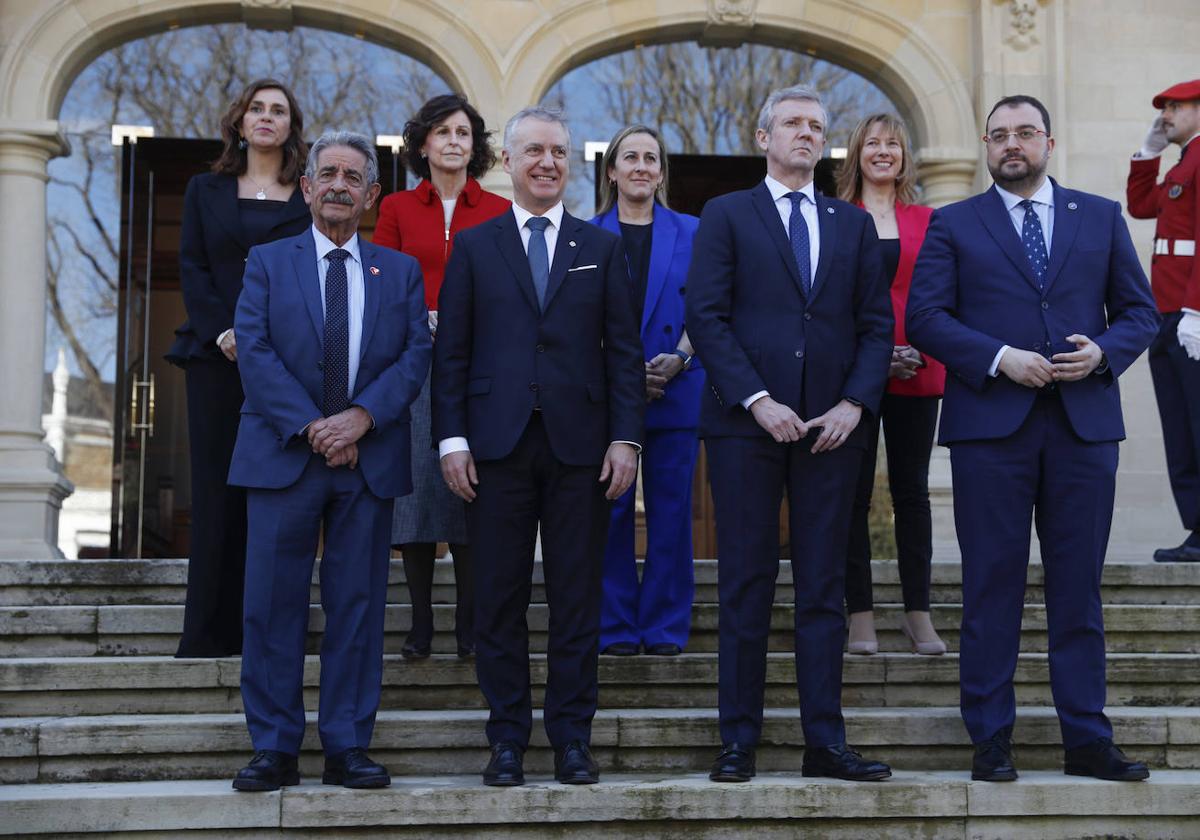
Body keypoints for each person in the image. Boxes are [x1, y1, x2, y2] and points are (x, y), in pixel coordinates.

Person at [907, 95, 1159, 782]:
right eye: (999, 136)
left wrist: (1104, 352)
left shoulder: (1100, 217)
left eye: (1024, 133)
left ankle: (1087, 741)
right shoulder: (953, 223)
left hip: (1084, 428)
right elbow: (925, 317)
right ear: (986, 147)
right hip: (992, 428)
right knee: (992, 588)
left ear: (1049, 140)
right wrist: (998, 357)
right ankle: (990, 740)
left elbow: (1141, 312)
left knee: (1078, 593)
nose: (1011, 145)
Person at [686, 86, 895, 784]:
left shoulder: (852, 223)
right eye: (793, 124)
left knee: (822, 591)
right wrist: (756, 399)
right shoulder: (725, 214)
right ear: (763, 135)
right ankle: (738, 742)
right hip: (748, 429)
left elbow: (875, 326)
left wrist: (855, 405)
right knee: (746, 585)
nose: (806, 134)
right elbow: (708, 317)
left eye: (816, 126)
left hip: (833, 432)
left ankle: (823, 745)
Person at [432, 107, 644, 787]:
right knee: (497, 601)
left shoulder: (602, 249)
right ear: (508, 162)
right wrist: (452, 440)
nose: (548, 162)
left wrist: (626, 437)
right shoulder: (473, 246)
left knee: (577, 600)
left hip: (582, 448)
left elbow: (625, 353)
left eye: (558, 151)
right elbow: (452, 354)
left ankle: (572, 740)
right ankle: (506, 740)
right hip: (493, 449)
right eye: (534, 151)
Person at [228, 131, 431, 792]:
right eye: (328, 173)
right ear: (308, 188)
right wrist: (315, 426)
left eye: (353, 175)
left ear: (371, 196)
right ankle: (275, 746)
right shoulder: (266, 261)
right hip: (284, 454)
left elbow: (412, 357)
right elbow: (253, 350)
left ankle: (346, 744)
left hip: (365, 461)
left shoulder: (398, 273)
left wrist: (361, 418)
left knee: (358, 606)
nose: (339, 184)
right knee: (270, 607)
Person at [166, 79, 310, 657]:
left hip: (284, 366)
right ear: (241, 121)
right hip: (215, 357)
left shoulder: (306, 195)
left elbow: (310, 278)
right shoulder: (205, 189)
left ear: (290, 125)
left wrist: (267, 344)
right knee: (216, 493)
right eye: (258, 108)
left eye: (278, 110)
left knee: (275, 496)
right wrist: (226, 331)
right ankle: (208, 633)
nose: (267, 117)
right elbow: (193, 268)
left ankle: (272, 633)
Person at [373, 93, 511, 658]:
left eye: (464, 133)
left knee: (471, 490)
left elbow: (508, 289)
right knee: (420, 492)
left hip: (480, 366)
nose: (455, 142)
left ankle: (471, 625)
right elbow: (382, 278)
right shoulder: (398, 209)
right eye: (444, 132)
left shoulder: (500, 212)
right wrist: (418, 314)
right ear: (423, 143)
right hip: (415, 361)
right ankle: (422, 623)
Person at [834, 114, 946, 657]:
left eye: (892, 144)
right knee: (852, 497)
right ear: (856, 153)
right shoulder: (835, 218)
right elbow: (828, 308)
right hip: (853, 376)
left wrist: (917, 349)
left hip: (918, 368)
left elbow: (942, 297)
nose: (883, 151)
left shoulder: (929, 221)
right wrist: (875, 358)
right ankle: (860, 615)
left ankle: (917, 613)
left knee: (912, 494)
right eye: (872, 143)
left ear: (904, 156)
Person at [589, 125, 703, 658]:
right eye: (629, 157)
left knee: (671, 512)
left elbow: (711, 307)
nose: (640, 166)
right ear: (611, 170)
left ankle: (662, 627)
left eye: (650, 159)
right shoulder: (583, 235)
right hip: (608, 395)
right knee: (608, 509)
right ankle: (613, 626)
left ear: (661, 172)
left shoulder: (696, 232)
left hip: (677, 387)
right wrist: (624, 369)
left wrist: (680, 356)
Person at [1126, 79, 1200, 563]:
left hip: (1191, 314)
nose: (1166, 115)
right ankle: (1197, 528)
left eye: (1176, 107)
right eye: (1165, 107)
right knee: (1181, 427)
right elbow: (1140, 205)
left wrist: (1197, 309)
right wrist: (1145, 154)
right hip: (1168, 313)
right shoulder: (1183, 161)